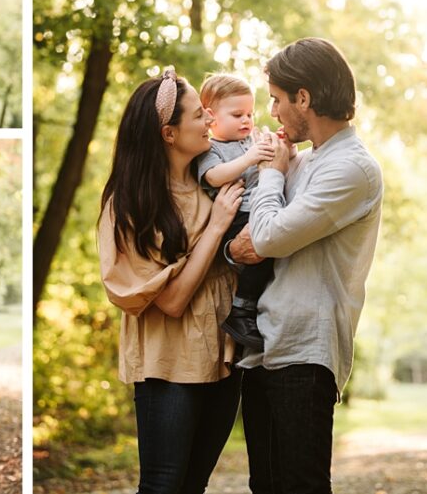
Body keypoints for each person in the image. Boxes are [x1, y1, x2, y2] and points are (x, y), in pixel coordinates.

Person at [226, 38, 384, 494]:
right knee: (266, 486)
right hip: (263, 348)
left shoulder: (353, 169)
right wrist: (247, 241)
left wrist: (272, 178)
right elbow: (247, 241)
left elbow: (267, 236)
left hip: (305, 351)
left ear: (304, 98)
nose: (272, 112)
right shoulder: (301, 161)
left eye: (276, 99)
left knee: (300, 486)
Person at [98, 66, 246, 494]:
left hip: (222, 359)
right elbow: (173, 301)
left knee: (193, 486)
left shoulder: (215, 183)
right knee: (163, 485)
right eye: (198, 115)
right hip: (168, 366)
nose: (209, 121)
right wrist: (217, 229)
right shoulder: (129, 205)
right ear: (168, 133)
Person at [197, 73, 276, 350]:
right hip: (237, 213)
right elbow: (214, 177)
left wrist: (277, 146)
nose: (246, 120)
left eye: (250, 114)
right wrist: (250, 158)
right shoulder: (209, 148)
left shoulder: (249, 142)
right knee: (259, 254)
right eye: (237, 114)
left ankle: (255, 309)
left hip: (261, 208)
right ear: (211, 117)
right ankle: (241, 310)